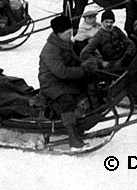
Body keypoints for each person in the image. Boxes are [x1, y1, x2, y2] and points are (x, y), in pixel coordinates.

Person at [37, 15, 98, 149]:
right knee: (67, 100)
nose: (71, 35)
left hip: (64, 80)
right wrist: (82, 70)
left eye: (71, 32)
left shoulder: (66, 43)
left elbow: (75, 59)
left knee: (86, 91)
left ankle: (79, 123)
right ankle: (72, 137)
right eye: (68, 33)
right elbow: (61, 72)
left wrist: (87, 65)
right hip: (51, 83)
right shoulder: (50, 49)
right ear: (59, 34)